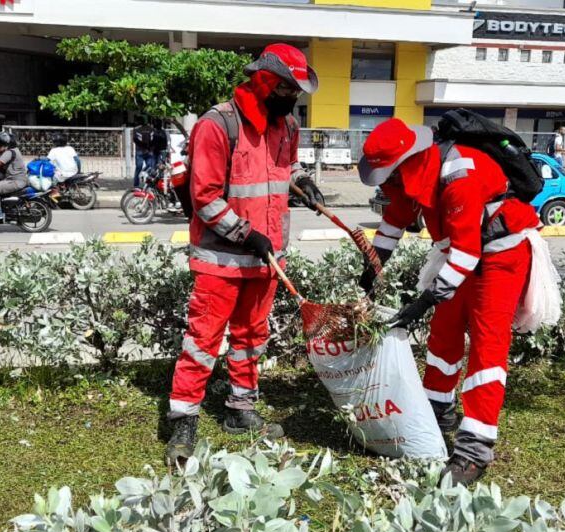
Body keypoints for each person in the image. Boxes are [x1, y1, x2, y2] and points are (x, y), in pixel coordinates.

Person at [356, 117, 539, 486]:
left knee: (487, 350)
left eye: (389, 175)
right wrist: (372, 267)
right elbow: (394, 222)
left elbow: (467, 255)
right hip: (458, 254)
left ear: (406, 161)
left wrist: (422, 303)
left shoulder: (460, 177)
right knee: (443, 338)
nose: (387, 185)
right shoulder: (414, 174)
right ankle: (437, 413)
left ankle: (474, 448)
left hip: (501, 257)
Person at [165, 43, 323, 465]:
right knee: (203, 341)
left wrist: (303, 181)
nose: (293, 100)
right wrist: (246, 234)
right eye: (289, 90)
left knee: (252, 337)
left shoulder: (286, 125)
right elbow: (205, 198)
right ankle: (182, 419)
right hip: (221, 258)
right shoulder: (217, 125)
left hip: (267, 258)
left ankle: (241, 408)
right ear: (266, 82)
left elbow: (284, 169)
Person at [132, 120, 155, 187]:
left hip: (142, 151)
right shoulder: (151, 129)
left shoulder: (136, 129)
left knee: (140, 167)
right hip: (145, 151)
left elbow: (135, 140)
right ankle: (139, 184)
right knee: (149, 167)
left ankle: (137, 185)